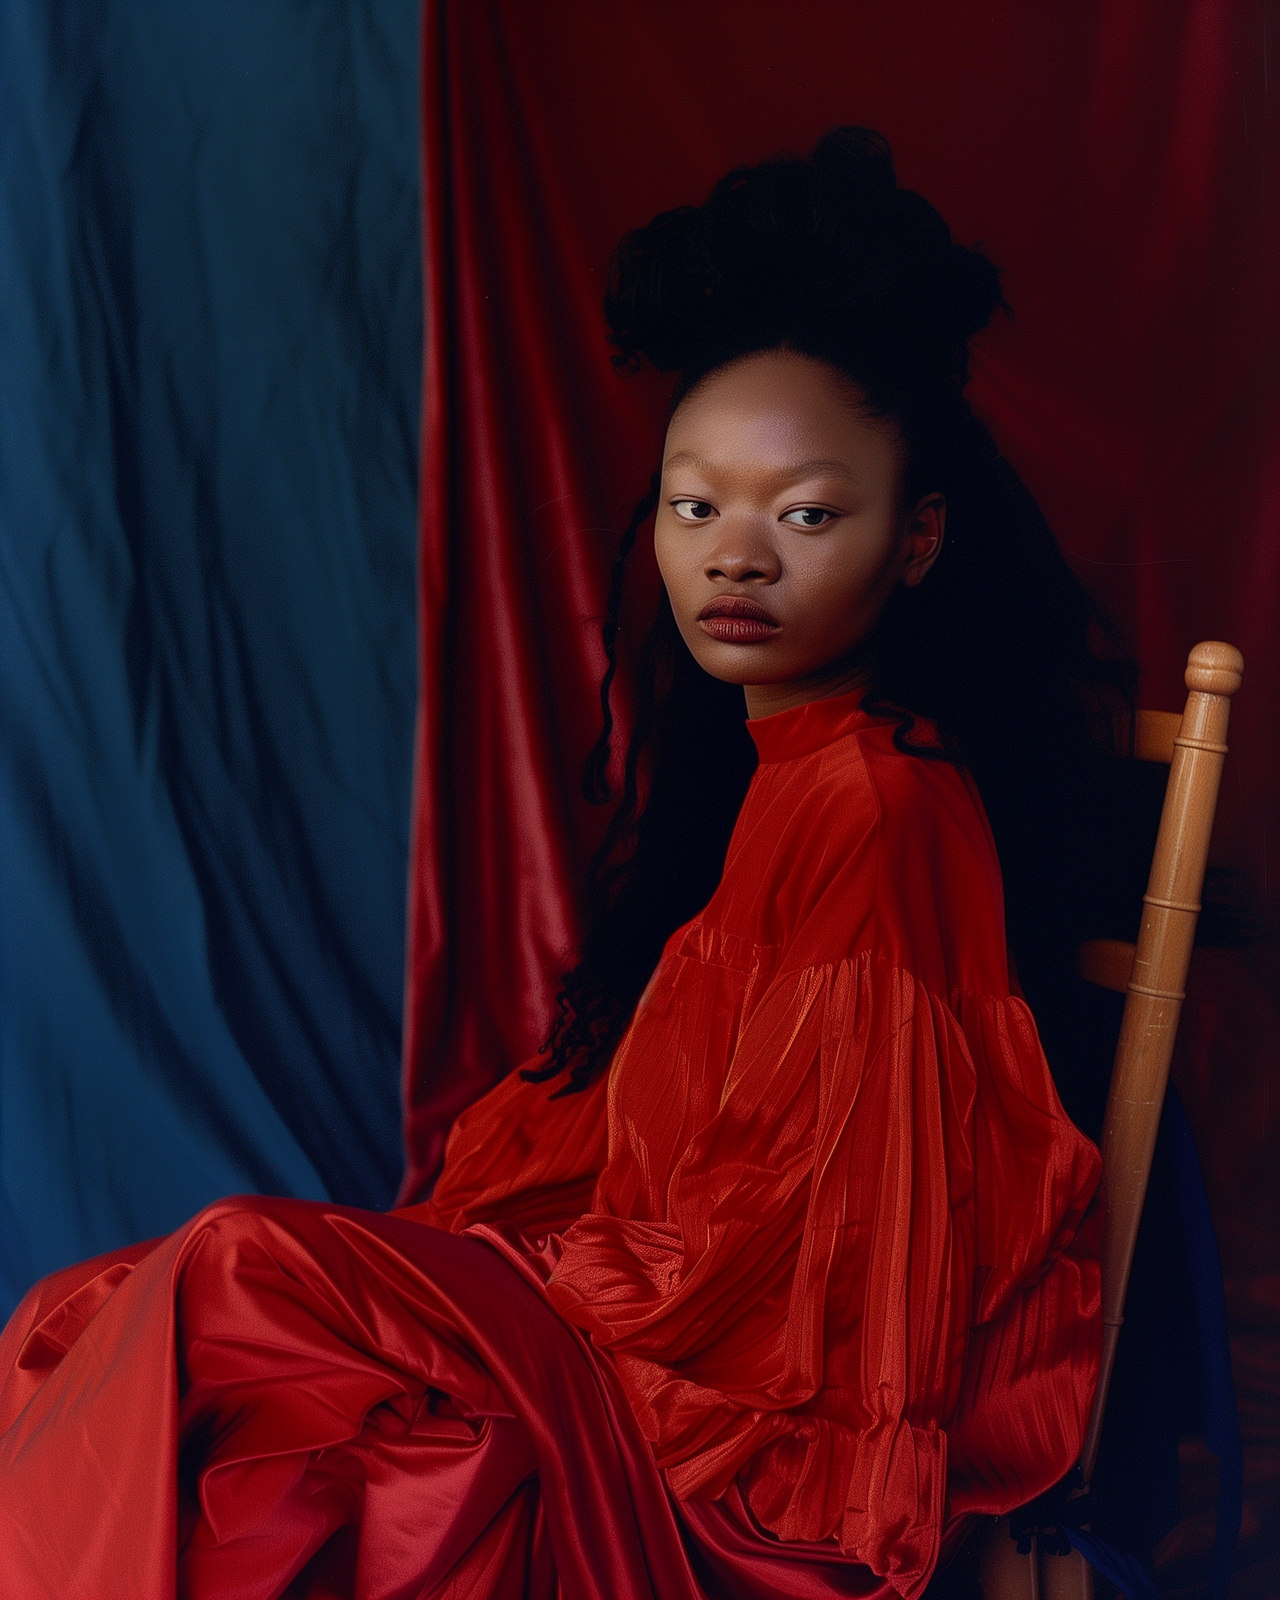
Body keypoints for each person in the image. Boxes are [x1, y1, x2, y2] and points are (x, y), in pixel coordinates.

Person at [0, 129, 1124, 1600]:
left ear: (915, 542)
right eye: (693, 502)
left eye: (804, 514)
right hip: (608, 1315)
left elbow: (821, 1259)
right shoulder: (773, 783)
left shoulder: (879, 805)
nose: (735, 555)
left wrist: (539, 1293)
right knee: (95, 1315)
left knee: (234, 1280)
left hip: (719, 1421)